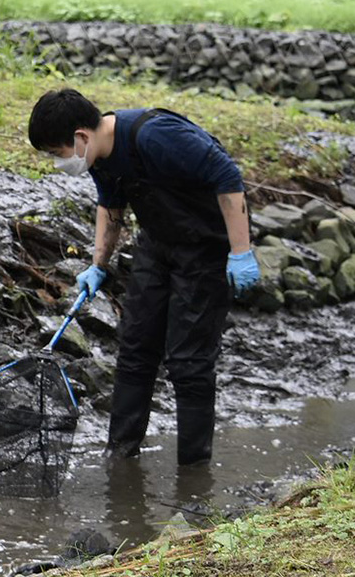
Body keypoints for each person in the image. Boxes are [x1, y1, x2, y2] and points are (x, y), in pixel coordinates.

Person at [28, 88, 260, 468]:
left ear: (81, 138)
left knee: (189, 361)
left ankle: (193, 470)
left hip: (207, 249)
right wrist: (98, 265)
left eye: (58, 153)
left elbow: (228, 177)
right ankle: (119, 454)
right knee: (135, 349)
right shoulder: (100, 157)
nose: (58, 163)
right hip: (157, 245)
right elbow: (110, 205)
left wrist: (240, 251)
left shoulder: (157, 135)